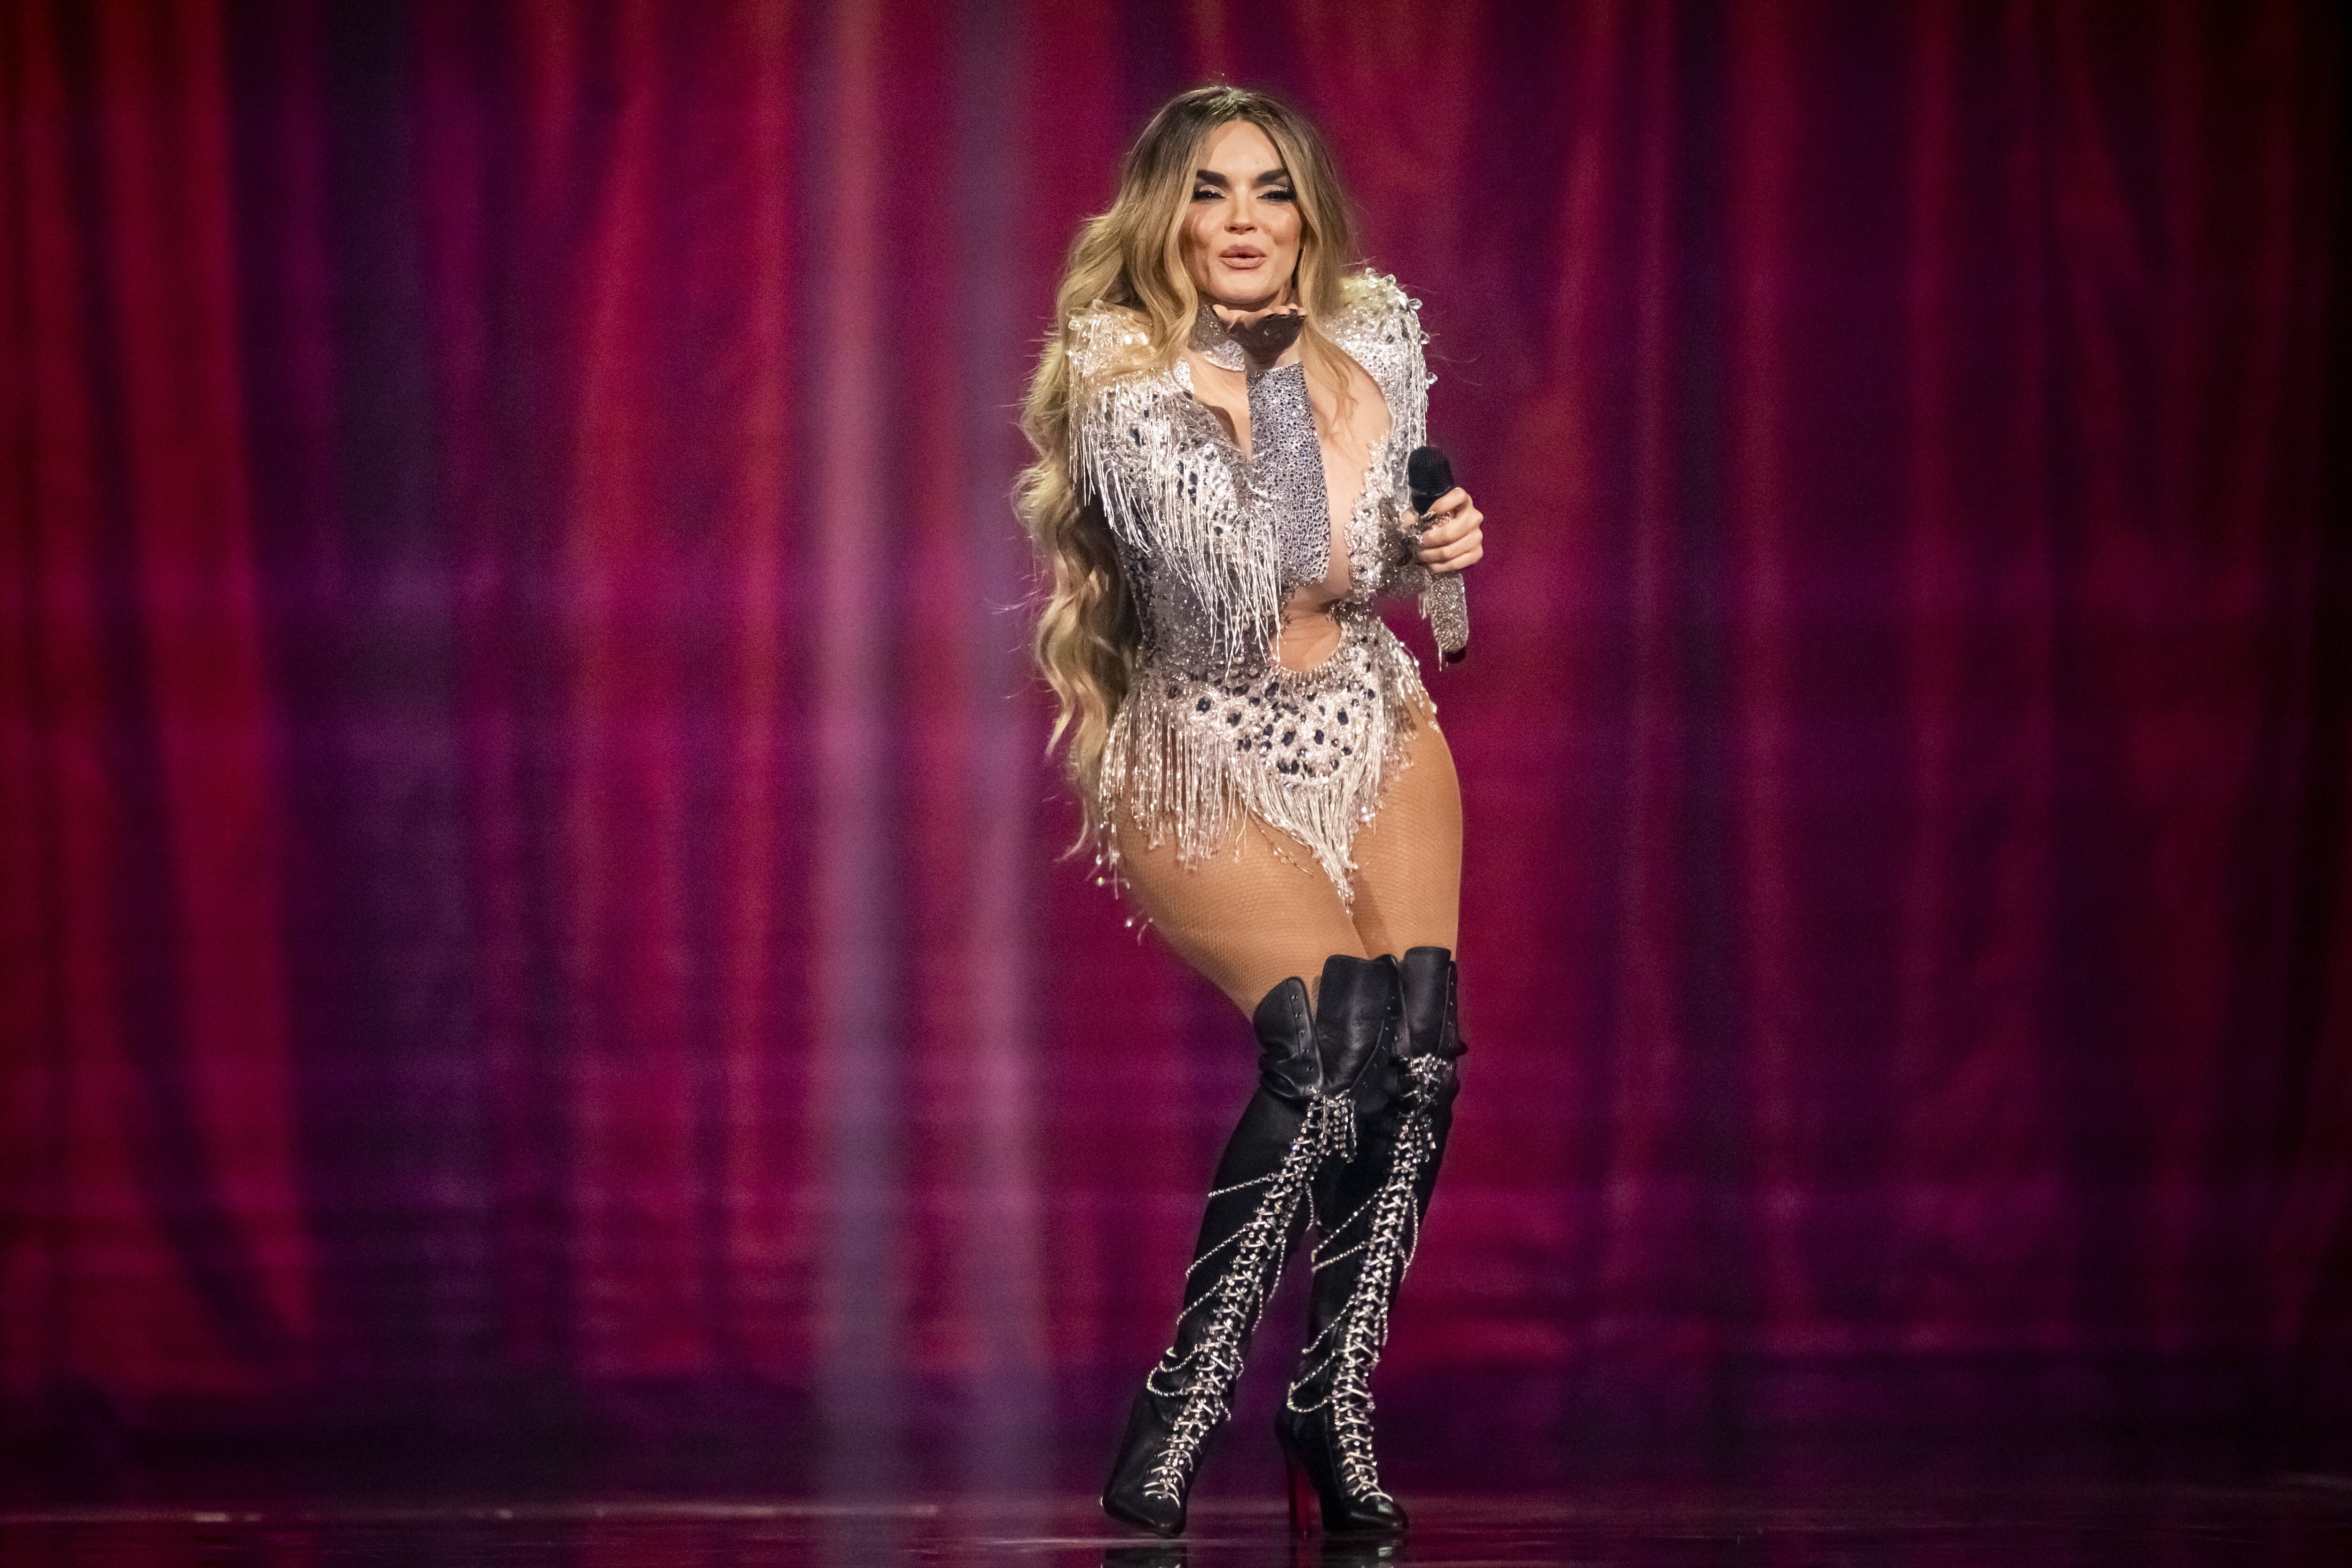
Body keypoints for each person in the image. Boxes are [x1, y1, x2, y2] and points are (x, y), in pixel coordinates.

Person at [1016, 84, 1485, 1540]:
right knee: (1330, 1041)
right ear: (1165, 215)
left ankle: (1327, 1402)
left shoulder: (1383, 334)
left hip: (1366, 713)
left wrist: (1440, 548)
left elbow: (1379, 583)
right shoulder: (1120, 373)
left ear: (1309, 214)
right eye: (1210, 192)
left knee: (1418, 1054)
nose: (1242, 222)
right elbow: (1238, 584)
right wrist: (1273, 370)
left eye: (1271, 192)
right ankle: (1190, 1390)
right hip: (1202, 736)